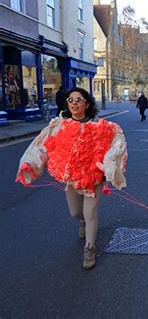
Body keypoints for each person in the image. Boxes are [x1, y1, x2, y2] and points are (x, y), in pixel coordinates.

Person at [16, 87, 127, 270]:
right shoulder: (59, 125)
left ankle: (90, 248)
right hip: (72, 178)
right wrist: (29, 163)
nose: (74, 103)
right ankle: (82, 222)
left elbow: (117, 145)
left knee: (90, 212)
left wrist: (109, 165)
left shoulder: (102, 126)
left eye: (78, 99)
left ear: (87, 103)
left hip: (94, 177)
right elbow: (41, 145)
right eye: (70, 100)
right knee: (76, 212)